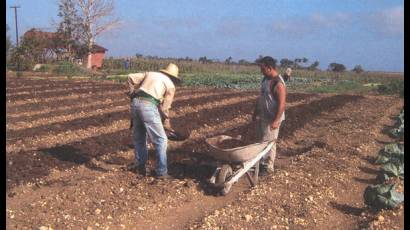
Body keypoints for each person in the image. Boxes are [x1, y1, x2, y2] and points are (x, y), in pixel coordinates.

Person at [126, 63, 181, 179]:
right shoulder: (170, 85)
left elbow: (130, 77)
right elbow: (165, 107)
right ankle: (161, 172)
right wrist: (166, 122)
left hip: (135, 104)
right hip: (148, 106)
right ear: (173, 77)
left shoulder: (150, 74)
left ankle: (140, 165)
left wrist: (131, 93)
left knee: (140, 137)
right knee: (161, 140)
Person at [252, 56, 286, 174]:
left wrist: (276, 121)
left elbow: (282, 104)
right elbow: (261, 98)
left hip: (273, 118)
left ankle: (268, 167)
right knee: (262, 141)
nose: (261, 71)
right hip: (264, 116)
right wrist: (255, 113)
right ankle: (261, 163)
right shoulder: (265, 79)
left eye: (262, 68)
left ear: (269, 68)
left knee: (269, 143)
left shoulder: (278, 83)